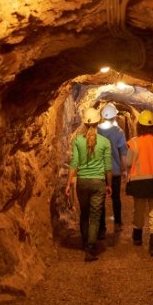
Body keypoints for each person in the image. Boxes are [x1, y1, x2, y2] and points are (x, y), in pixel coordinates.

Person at [65, 107, 112, 262]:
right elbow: (108, 167)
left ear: (84, 123)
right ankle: (91, 248)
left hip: (82, 183)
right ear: (98, 122)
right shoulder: (105, 142)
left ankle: (85, 243)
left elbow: (74, 163)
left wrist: (68, 184)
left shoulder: (78, 141)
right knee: (95, 216)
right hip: (98, 182)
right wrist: (109, 184)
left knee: (84, 214)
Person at [123, 109, 153, 257]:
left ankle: (137, 237)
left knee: (139, 209)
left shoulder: (134, 143)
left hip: (139, 183)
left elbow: (129, 162)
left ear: (139, 126)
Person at [97, 102, 128, 238]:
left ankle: (101, 228)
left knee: (100, 200)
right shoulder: (119, 132)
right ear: (115, 116)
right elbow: (123, 153)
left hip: (99, 171)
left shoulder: (96, 130)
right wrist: (125, 170)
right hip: (114, 171)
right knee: (116, 198)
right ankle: (118, 223)